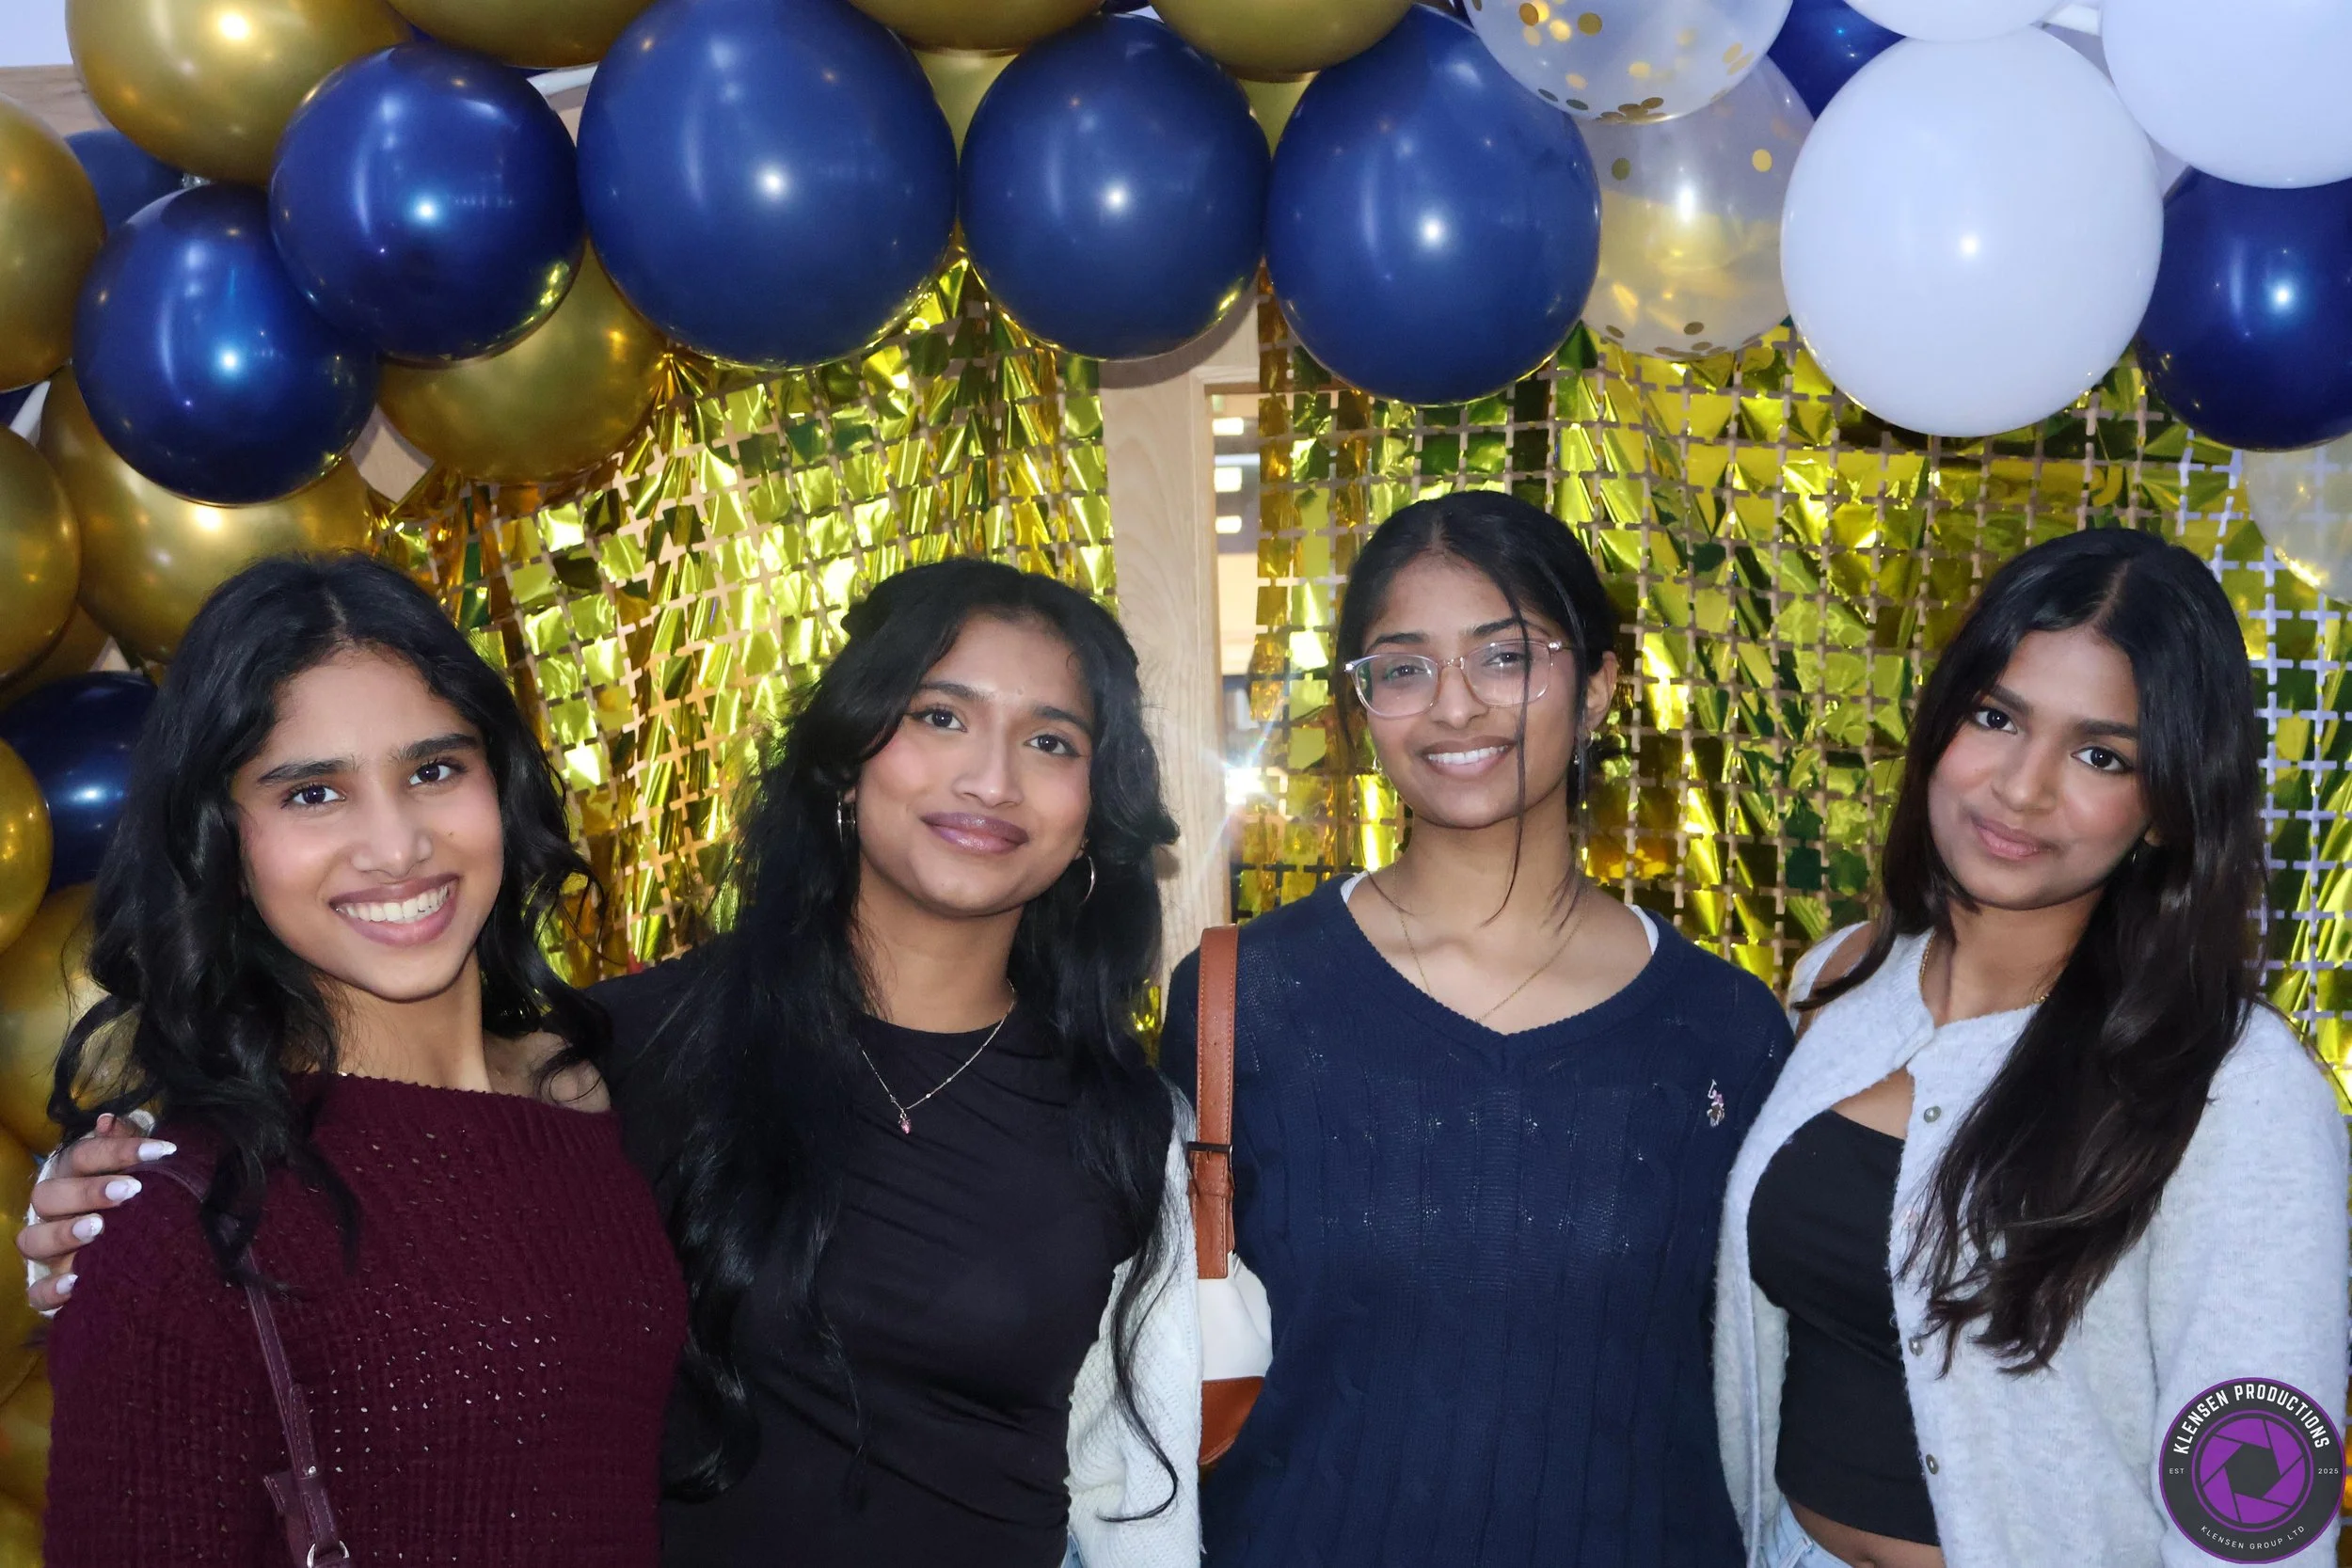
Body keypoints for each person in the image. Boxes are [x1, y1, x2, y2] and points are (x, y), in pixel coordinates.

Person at [28, 557, 1200, 1568]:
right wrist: (122, 1194)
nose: (990, 778)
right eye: (939, 715)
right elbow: (361, 1154)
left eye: (1050, 740)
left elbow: (1125, 1479)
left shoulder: (1127, 1121)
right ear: (846, 756)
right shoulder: (622, 1057)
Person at [1158, 490, 1792, 1567]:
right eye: (1402, 667)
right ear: (1362, 709)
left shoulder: (1723, 1026)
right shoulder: (1246, 995)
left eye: (1504, 657)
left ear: (1597, 689)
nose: (1453, 707)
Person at [1715, 528, 2349, 1568]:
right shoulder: (1839, 979)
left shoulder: (2233, 1087)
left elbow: (2256, 1472)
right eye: (1996, 716)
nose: (2020, 786)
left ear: (2165, 807)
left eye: (2101, 754)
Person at [40, 554, 688, 1564]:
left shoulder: (604, 1094)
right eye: (311, 793)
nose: (396, 845)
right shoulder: (181, 1230)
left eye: (434, 770)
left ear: (500, 778)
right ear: (221, 840)